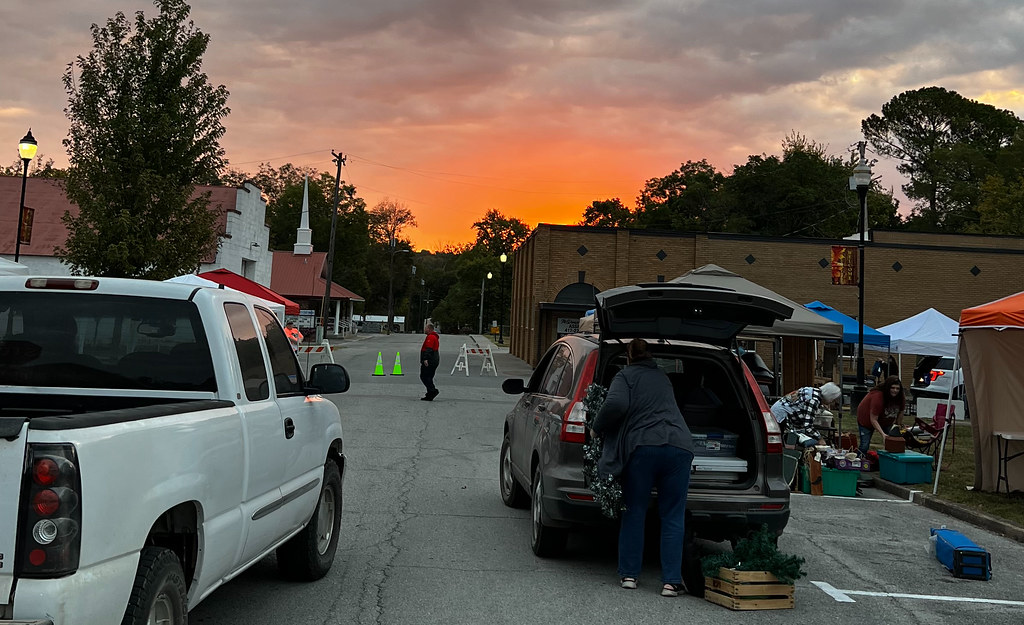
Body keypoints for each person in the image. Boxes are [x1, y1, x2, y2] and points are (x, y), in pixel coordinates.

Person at [591, 338, 694, 597]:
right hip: (679, 447)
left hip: (644, 448)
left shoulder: (625, 376)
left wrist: (596, 427)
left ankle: (629, 576)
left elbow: (615, 404)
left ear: (628, 356)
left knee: (635, 510)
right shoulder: (662, 377)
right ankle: (671, 582)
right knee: (672, 515)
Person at [769, 382, 842, 445]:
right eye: (833, 400)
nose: (832, 402)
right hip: (780, 416)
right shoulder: (813, 400)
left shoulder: (812, 390)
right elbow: (807, 426)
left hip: (776, 411)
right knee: (781, 442)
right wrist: (820, 439)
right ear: (829, 396)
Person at [857, 375, 906, 456]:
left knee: (894, 442)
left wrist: (898, 425)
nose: (895, 391)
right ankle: (859, 462)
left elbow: (901, 411)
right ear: (888, 388)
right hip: (866, 420)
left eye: (897, 388)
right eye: (892, 388)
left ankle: (890, 462)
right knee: (864, 445)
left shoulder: (900, 397)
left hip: (885, 420)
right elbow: (873, 419)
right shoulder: (878, 397)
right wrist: (883, 435)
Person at [419, 323, 440, 401]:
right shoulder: (434, 337)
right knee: (429, 377)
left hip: (430, 360)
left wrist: (425, 359)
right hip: (434, 359)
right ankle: (429, 394)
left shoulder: (431, 337)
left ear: (429, 329)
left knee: (424, 376)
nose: (424, 329)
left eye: (425, 328)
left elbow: (429, 349)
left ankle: (432, 391)